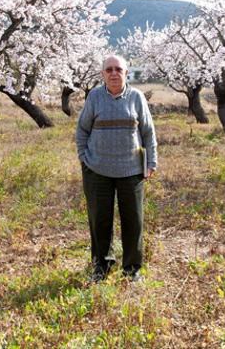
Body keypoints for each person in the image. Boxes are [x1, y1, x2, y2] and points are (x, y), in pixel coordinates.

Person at [75, 54, 158, 282]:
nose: (113, 73)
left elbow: (148, 132)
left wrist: (151, 162)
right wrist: (84, 158)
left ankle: (132, 269)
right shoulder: (94, 97)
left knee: (133, 221)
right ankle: (101, 267)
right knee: (100, 220)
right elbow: (82, 130)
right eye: (109, 69)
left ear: (126, 73)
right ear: (102, 74)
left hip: (131, 171)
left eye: (118, 69)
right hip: (97, 170)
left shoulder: (136, 98)